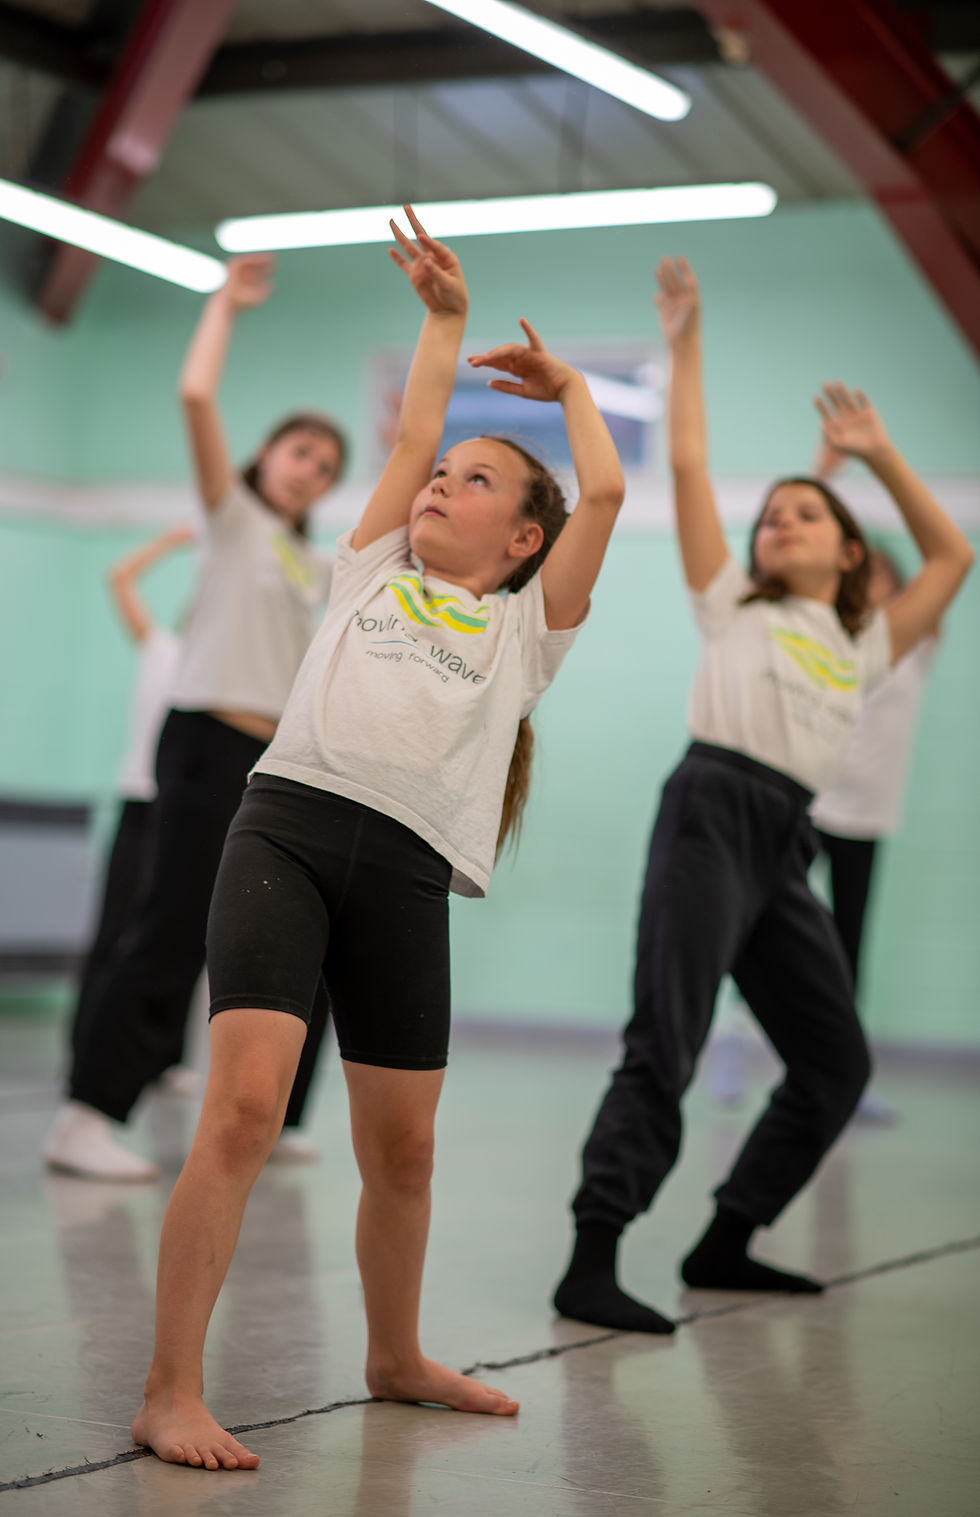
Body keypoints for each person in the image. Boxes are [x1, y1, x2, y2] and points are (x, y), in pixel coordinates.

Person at [130, 207, 625, 1470]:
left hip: (406, 871)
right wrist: (444, 322)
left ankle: (394, 1354)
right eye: (441, 471)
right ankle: (169, 1386)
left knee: (401, 1147)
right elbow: (410, 432)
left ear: (523, 540)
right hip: (285, 829)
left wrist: (567, 385)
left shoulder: (525, 632)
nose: (440, 483)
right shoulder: (365, 568)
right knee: (242, 1110)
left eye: (473, 479)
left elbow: (606, 488)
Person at [553, 256, 973, 1335]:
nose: (777, 521)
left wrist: (874, 457)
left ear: (847, 554)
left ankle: (724, 1237)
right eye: (771, 514)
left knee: (834, 1060)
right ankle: (591, 1254)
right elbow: (686, 459)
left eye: (804, 513)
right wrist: (684, 340)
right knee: (668, 1038)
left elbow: (951, 550)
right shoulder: (731, 602)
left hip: (784, 838)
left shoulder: (866, 639)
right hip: (707, 808)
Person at [44, 254, 346, 1181]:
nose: (310, 472)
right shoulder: (234, 517)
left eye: (327, 467)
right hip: (206, 742)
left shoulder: (312, 559)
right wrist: (224, 306)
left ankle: (281, 1111)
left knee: (289, 937)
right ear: (267, 456)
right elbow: (194, 400)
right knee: (170, 927)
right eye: (300, 453)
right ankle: (88, 1115)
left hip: (274, 762)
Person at [61, 527, 190, 1125]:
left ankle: (165, 1056)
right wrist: (170, 541)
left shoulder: (230, 681)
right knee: (115, 934)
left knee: (178, 935)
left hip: (184, 812)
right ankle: (84, 1045)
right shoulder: (162, 650)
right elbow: (119, 578)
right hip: (141, 806)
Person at [811, 543, 940, 1121]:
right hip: (813, 806)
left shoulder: (916, 646)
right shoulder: (837, 640)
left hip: (868, 817)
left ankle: (845, 1077)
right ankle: (736, 1041)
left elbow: (946, 566)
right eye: (869, 575)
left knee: (849, 943)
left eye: (888, 575)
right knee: (761, 918)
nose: (877, 584)